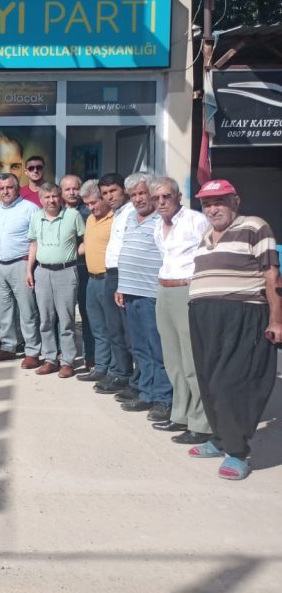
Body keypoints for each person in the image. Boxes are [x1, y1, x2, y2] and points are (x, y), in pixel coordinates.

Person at [186, 179, 282, 481]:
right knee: (209, 380)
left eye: (220, 202)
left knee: (233, 383)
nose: (212, 209)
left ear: (235, 201)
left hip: (241, 313)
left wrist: (276, 320)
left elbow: (272, 276)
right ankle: (220, 439)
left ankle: (238, 453)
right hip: (203, 315)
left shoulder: (255, 226)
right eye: (207, 204)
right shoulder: (206, 235)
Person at [150, 176, 211, 444]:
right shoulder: (157, 225)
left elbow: (211, 252)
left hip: (186, 290)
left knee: (191, 360)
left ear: (178, 196)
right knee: (173, 359)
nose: (161, 202)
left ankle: (201, 423)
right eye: (156, 198)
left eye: (166, 196)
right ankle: (181, 414)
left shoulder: (196, 220)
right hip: (164, 289)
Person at [114, 173, 171, 421]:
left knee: (157, 349)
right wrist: (121, 287)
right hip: (130, 292)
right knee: (140, 348)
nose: (138, 199)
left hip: (151, 294)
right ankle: (146, 393)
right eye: (133, 195)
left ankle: (163, 398)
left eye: (142, 193)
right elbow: (127, 253)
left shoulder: (162, 219)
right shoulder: (130, 217)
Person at [26, 182, 85, 377]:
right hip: (42, 272)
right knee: (45, 319)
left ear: (60, 198)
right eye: (47, 197)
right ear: (41, 199)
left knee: (66, 320)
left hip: (66, 272)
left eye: (54, 196)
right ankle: (50, 359)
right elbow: (33, 244)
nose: (51, 200)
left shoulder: (73, 215)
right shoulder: (36, 217)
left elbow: (86, 240)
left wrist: (73, 254)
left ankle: (67, 361)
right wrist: (29, 270)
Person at [0, 173, 41, 363]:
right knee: (3, 309)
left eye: (9, 187)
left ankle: (32, 351)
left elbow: (37, 240)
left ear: (17, 188)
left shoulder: (30, 209)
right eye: (1, 188)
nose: (5, 191)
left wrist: (30, 267)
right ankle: (8, 346)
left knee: (27, 310)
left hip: (21, 264)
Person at [93, 173, 136, 398]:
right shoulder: (116, 214)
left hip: (124, 274)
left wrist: (124, 281)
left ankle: (134, 378)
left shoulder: (132, 213)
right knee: (114, 328)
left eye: (113, 191)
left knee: (127, 330)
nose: (109, 197)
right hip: (111, 274)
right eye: (105, 193)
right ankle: (121, 372)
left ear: (124, 190)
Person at [77, 180, 114, 383]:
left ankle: (115, 371)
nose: (90, 208)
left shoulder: (115, 219)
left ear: (103, 197)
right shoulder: (90, 219)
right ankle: (100, 367)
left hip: (109, 279)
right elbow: (86, 245)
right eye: (87, 204)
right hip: (92, 279)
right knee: (97, 327)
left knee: (113, 328)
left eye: (93, 202)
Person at [60, 174, 92, 367]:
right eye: (67, 189)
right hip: (61, 271)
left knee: (87, 314)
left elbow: (89, 240)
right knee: (62, 315)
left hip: (84, 268)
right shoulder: (57, 212)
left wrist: (71, 253)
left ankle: (90, 356)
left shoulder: (88, 212)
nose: (72, 192)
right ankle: (63, 355)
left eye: (75, 188)